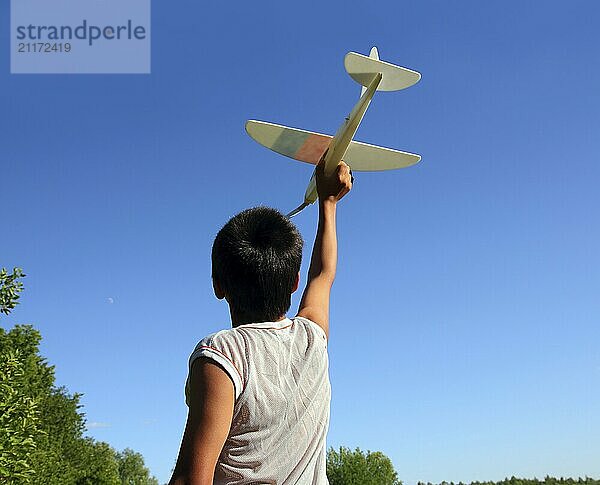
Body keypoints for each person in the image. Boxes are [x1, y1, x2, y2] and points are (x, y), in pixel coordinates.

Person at [169, 157, 353, 485]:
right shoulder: (312, 339)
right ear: (295, 282)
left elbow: (190, 479)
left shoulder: (223, 355)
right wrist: (328, 203)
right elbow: (323, 275)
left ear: (217, 284)